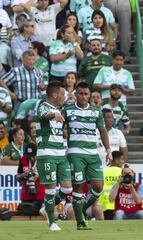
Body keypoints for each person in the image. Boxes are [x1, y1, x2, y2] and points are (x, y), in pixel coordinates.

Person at [63, 82, 112, 230]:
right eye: (81, 93)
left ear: (89, 95)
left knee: (98, 187)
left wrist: (108, 150)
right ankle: (80, 222)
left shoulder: (96, 112)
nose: (83, 96)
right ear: (75, 94)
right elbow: (58, 128)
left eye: (86, 94)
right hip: (75, 153)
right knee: (78, 186)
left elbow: (103, 131)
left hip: (93, 154)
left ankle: (82, 208)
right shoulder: (68, 110)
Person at [35, 81, 72, 231]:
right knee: (50, 190)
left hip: (60, 154)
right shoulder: (43, 106)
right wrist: (54, 114)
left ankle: (46, 207)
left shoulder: (59, 109)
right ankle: (52, 222)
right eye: (62, 94)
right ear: (55, 94)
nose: (64, 97)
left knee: (67, 188)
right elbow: (44, 116)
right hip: (47, 153)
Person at [16, 143, 45, 216]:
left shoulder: (42, 160)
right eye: (28, 156)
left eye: (32, 156)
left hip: (40, 195)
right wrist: (23, 175)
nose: (30, 158)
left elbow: (49, 176)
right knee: (25, 212)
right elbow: (17, 177)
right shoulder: (23, 159)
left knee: (41, 214)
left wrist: (38, 176)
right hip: (26, 195)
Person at [99, 150, 124, 220]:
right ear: (116, 160)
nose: (123, 162)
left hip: (104, 205)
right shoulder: (122, 173)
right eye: (121, 159)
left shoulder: (103, 172)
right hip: (118, 205)